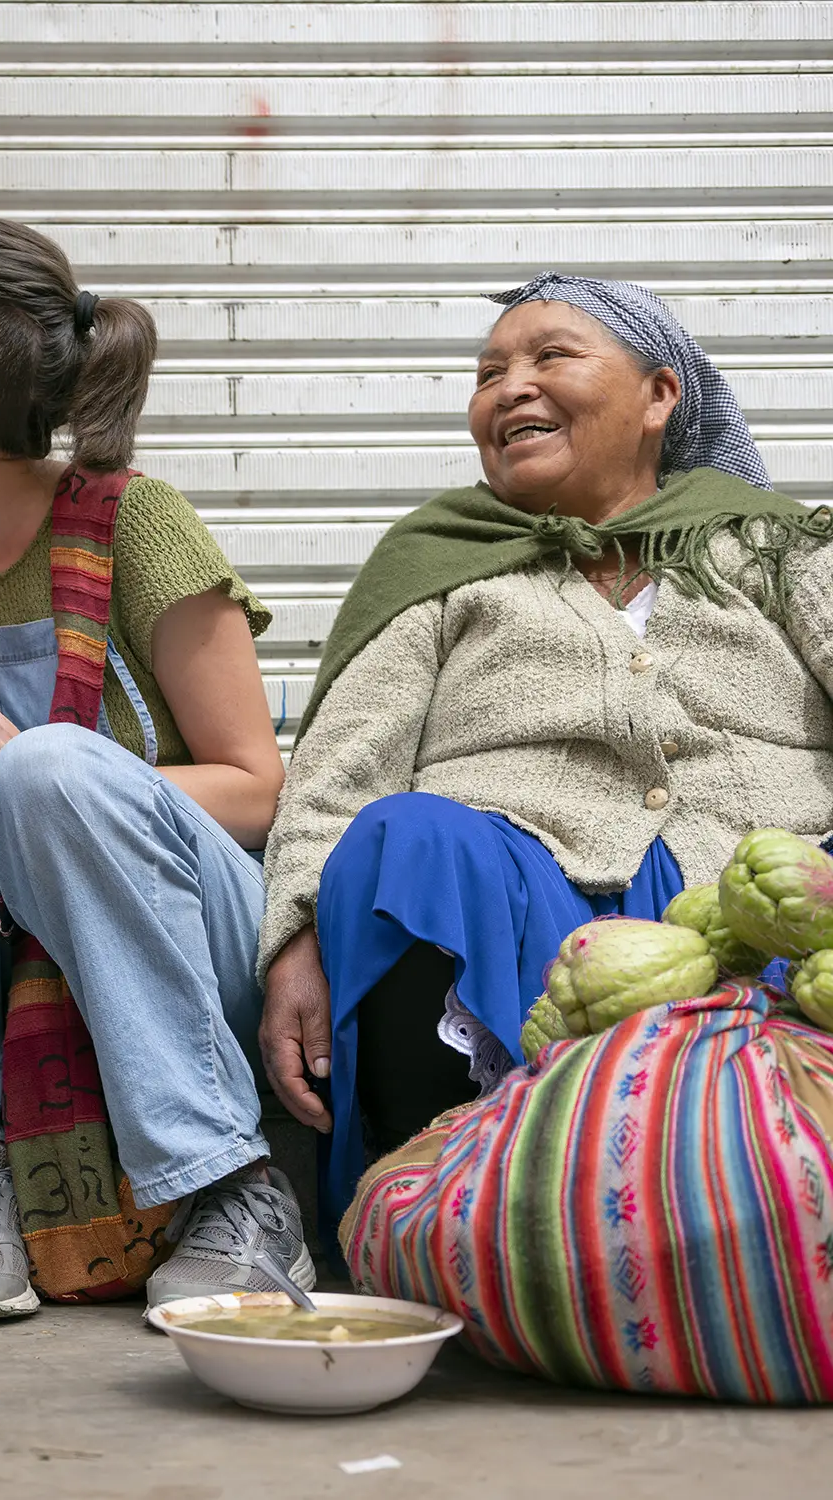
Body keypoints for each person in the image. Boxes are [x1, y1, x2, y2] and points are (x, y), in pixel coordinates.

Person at [256, 273, 833, 1228]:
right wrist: (291, 946)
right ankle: (460, 1209)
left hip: (752, 896)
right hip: (517, 907)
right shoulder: (438, 565)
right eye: (489, 373)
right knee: (403, 835)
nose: (510, 386)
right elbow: (335, 778)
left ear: (659, 396)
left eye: (551, 356)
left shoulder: (772, 549)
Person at [0, 215, 306, 1318]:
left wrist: (32, 767)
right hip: (8, 956)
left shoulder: (136, 522)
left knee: (35, 767)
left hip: (192, 932)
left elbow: (257, 789)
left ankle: (236, 1182)